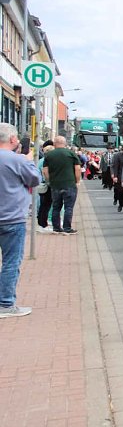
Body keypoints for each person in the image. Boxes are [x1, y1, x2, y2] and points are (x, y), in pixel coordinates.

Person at [0, 123, 41, 318]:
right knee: (10, 262)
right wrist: (29, 161)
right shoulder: (18, 160)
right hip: (12, 218)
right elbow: (34, 180)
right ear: (13, 139)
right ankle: (5, 303)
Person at [42, 136, 81, 235]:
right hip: (69, 184)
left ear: (55, 143)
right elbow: (77, 168)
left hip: (55, 185)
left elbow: (45, 170)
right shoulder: (71, 153)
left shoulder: (49, 155)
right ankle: (67, 228)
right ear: (65, 143)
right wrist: (77, 181)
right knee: (69, 207)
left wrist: (49, 181)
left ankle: (56, 227)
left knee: (56, 207)